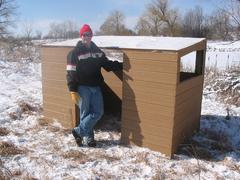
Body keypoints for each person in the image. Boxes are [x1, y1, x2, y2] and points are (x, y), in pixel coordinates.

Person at [66, 24, 122, 147]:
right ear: (81, 36)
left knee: (98, 112)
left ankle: (78, 131)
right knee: (85, 114)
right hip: (82, 87)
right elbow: (70, 72)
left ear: (92, 35)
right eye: (85, 34)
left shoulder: (97, 51)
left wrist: (122, 65)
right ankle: (89, 139)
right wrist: (72, 90)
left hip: (96, 87)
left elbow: (107, 64)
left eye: (89, 34)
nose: (87, 37)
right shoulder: (74, 53)